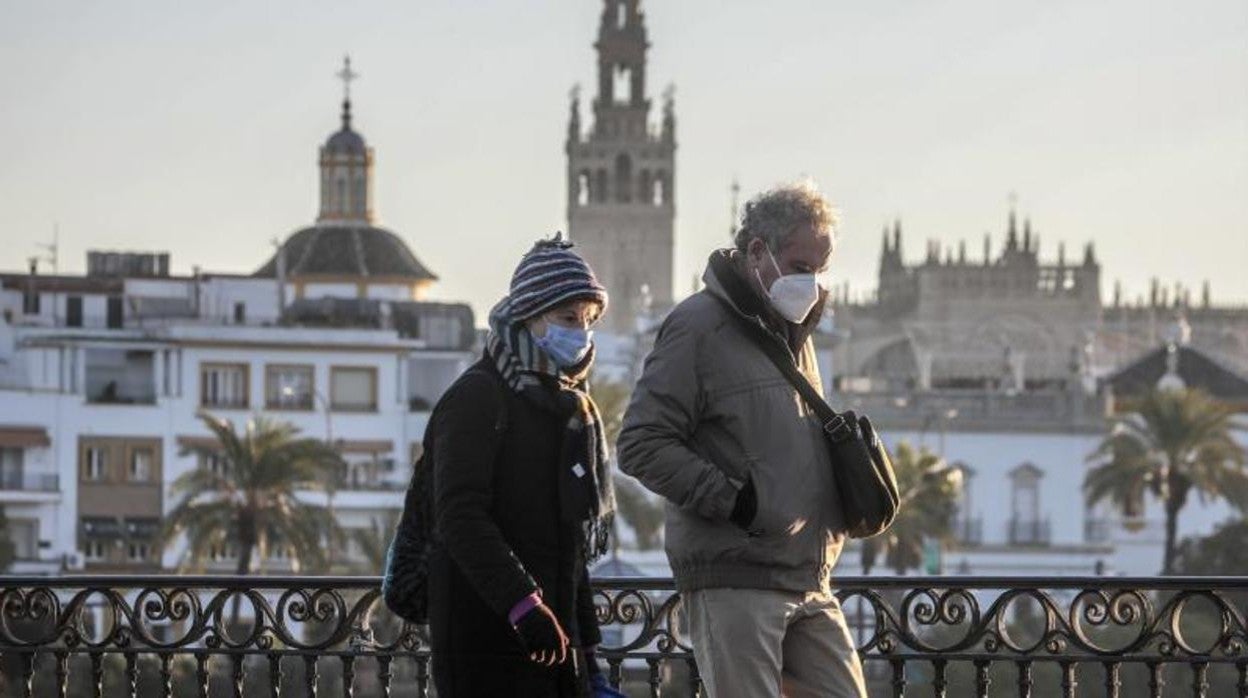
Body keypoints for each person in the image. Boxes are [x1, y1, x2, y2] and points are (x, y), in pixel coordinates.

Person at [617, 182, 868, 697]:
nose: (813, 283)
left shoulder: (793, 331)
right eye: (802, 268)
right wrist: (737, 502)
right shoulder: (698, 326)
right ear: (758, 252)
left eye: (821, 271)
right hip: (736, 576)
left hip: (807, 575)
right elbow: (641, 442)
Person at [428, 235, 624, 697]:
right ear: (529, 318)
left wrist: (587, 653)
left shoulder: (569, 408)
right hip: (486, 636)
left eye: (587, 320)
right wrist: (522, 604)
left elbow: (571, 542)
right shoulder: (479, 396)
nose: (580, 332)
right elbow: (459, 514)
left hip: (554, 643)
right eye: (566, 318)